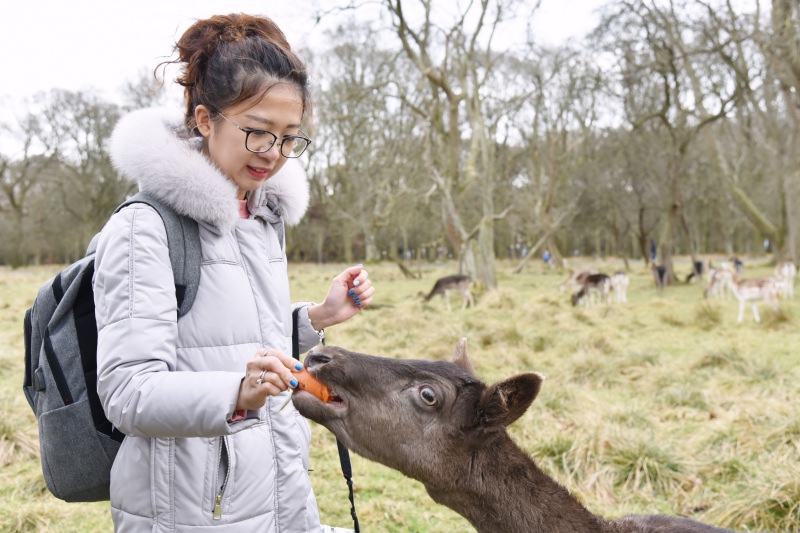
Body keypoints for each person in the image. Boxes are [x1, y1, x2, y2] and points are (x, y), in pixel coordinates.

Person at [93, 13, 374, 532]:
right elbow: (128, 392)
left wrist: (317, 316)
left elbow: (230, 338)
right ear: (204, 120)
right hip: (188, 510)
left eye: (290, 138)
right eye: (258, 133)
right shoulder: (144, 228)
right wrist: (235, 395)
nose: (274, 155)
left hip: (279, 493)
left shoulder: (262, 217)